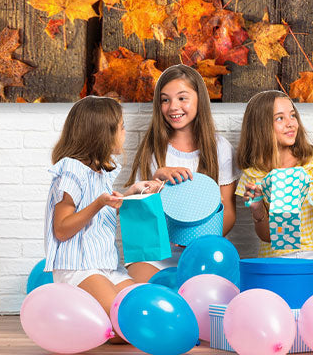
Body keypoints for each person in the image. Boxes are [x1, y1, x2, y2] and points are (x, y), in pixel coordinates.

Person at [44, 95, 162, 335]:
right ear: (102, 133)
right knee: (125, 326)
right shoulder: (72, 171)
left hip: (106, 266)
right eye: (122, 127)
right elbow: (62, 229)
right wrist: (99, 203)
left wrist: (131, 193)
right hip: (79, 267)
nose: (125, 133)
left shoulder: (101, 172)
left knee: (145, 313)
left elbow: (102, 212)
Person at [126, 64, 239, 281]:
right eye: (165, 99)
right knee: (144, 291)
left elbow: (228, 213)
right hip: (155, 252)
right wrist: (155, 183)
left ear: (199, 100)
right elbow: (139, 217)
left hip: (202, 250)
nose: (172, 107)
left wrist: (196, 242)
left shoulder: (220, 148)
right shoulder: (153, 149)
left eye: (182, 98)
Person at [236, 89, 313, 281]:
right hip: (278, 257)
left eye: (292, 115)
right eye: (280, 118)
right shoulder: (254, 175)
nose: (290, 123)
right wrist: (257, 211)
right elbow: (267, 237)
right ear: (261, 127)